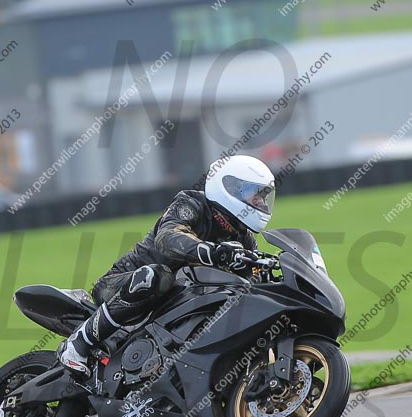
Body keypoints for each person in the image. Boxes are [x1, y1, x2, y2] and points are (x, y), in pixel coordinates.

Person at [58, 155, 276, 376]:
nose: (261, 202)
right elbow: (168, 237)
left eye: (263, 196)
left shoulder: (240, 235)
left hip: (170, 305)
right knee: (157, 276)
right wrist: (212, 252)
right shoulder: (192, 204)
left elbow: (253, 274)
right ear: (231, 187)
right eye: (255, 194)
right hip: (122, 284)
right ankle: (77, 344)